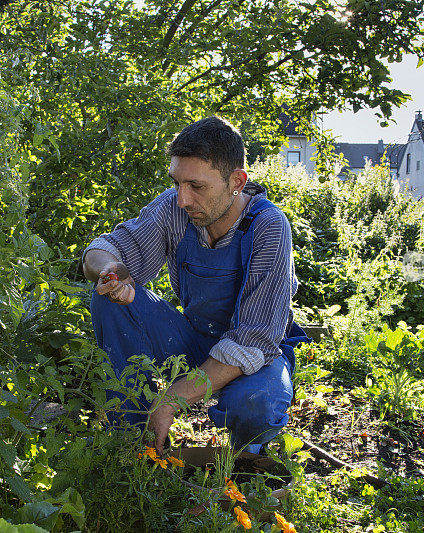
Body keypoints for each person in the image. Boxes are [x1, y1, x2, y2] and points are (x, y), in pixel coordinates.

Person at [82, 116, 309, 455]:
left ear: (236, 181)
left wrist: (171, 399)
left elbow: (254, 340)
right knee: (108, 299)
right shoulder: (175, 209)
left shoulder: (268, 227)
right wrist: (111, 270)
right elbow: (102, 251)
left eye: (197, 187)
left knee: (255, 405)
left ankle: (246, 460)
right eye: (177, 183)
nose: (182, 199)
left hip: (257, 353)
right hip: (194, 338)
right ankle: (133, 445)